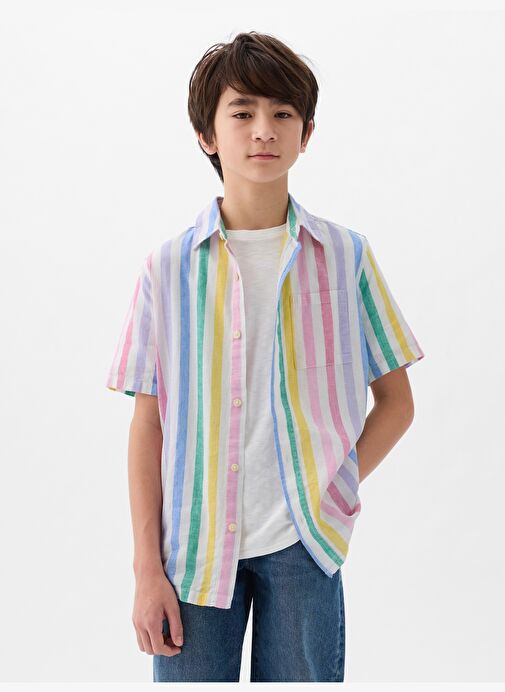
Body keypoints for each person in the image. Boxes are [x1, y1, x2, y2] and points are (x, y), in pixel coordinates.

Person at [105, 31, 425, 683]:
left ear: (306, 134)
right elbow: (148, 424)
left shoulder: (345, 256)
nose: (263, 130)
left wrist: (332, 488)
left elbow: (396, 402)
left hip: (304, 544)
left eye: (282, 113)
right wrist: (145, 569)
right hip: (192, 554)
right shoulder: (167, 269)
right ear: (207, 134)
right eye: (242, 111)